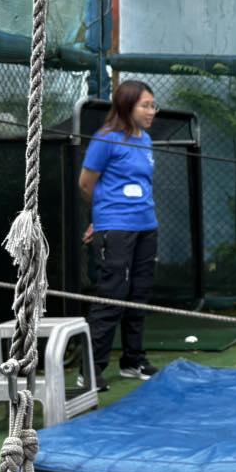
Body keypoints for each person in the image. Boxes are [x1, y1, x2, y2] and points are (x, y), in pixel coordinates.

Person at [79, 80, 160, 392]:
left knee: (139, 293)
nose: (151, 111)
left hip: (146, 226)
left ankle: (133, 360)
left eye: (153, 105)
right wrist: (101, 219)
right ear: (127, 106)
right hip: (116, 227)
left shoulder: (147, 140)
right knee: (112, 293)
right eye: (145, 105)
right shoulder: (106, 139)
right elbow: (86, 184)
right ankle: (91, 369)